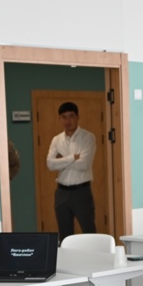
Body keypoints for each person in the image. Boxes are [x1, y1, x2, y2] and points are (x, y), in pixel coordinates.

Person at [46, 101, 96, 241]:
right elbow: (50, 164)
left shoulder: (88, 138)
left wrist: (61, 161)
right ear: (60, 119)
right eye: (64, 117)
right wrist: (72, 158)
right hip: (61, 192)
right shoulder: (56, 140)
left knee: (89, 232)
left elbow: (84, 164)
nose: (68, 121)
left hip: (81, 191)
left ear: (77, 117)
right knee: (65, 236)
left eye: (71, 116)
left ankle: (94, 255)